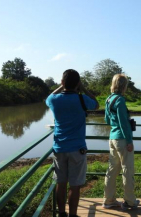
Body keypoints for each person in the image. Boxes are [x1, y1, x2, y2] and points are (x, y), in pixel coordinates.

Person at [46, 69, 99, 217]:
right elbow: (96, 104)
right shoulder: (82, 99)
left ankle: (62, 213)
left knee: (60, 183)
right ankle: (73, 215)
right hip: (77, 149)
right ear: (77, 84)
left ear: (62, 83)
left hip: (59, 148)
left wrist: (61, 86)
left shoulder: (54, 100)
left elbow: (48, 97)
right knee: (75, 185)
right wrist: (83, 88)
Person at [103, 74, 139, 210]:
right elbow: (124, 123)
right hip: (123, 139)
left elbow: (107, 120)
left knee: (112, 170)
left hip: (112, 137)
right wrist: (129, 141)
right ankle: (130, 201)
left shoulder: (109, 99)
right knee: (127, 170)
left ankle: (108, 200)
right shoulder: (120, 101)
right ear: (124, 86)